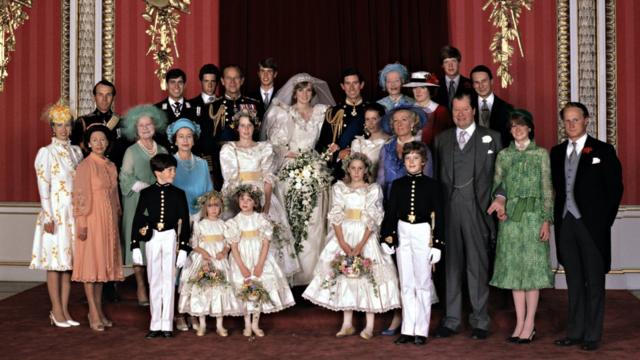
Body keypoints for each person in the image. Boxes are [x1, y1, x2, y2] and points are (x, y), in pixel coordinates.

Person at [303, 153, 401, 340]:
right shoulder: (340, 188)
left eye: (360, 168)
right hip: (344, 235)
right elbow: (336, 215)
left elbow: (373, 218)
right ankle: (347, 324)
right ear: (348, 169)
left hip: (366, 236)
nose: (356, 172)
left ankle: (369, 326)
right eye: (353, 168)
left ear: (366, 171)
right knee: (345, 276)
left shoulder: (373, 189)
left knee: (367, 277)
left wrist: (361, 245)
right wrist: (342, 242)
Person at [550, 102, 623, 351]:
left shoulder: (603, 150)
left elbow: (615, 190)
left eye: (575, 120)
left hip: (592, 226)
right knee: (574, 281)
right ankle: (575, 331)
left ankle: (592, 335)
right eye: (567, 121)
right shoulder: (556, 152)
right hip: (566, 223)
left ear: (586, 120)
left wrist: (603, 223)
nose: (571, 125)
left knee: (594, 282)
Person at [433, 91, 502, 340]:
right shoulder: (442, 140)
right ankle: (451, 320)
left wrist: (500, 198)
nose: (460, 114)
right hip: (450, 211)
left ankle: (480, 320)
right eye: (456, 110)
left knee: (477, 266)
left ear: (474, 110)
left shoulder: (492, 138)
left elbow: (501, 177)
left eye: (465, 109)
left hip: (479, 210)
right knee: (451, 267)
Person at [486, 110, 554, 344]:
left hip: (534, 217)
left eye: (522, 125)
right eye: (513, 126)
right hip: (511, 220)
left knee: (532, 273)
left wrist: (547, 220)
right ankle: (519, 323)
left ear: (530, 128)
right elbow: (499, 185)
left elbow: (547, 188)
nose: (518, 130)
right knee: (515, 273)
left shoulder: (541, 155)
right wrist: (500, 202)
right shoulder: (504, 155)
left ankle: (530, 324)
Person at [265, 73, 336, 285]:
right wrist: (287, 152)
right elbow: (274, 144)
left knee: (314, 220)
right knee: (290, 219)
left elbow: (328, 139)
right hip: (290, 168)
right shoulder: (283, 113)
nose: (304, 94)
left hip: (314, 166)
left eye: (308, 90)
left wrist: (330, 150)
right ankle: (291, 275)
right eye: (300, 90)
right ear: (294, 93)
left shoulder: (321, 113)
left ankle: (312, 275)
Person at [220, 111, 300, 278]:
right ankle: (239, 276)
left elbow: (268, 177)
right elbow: (230, 179)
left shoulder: (264, 148)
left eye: (249, 125)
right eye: (242, 125)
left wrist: (267, 203)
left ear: (254, 127)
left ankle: (268, 278)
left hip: (261, 193)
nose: (246, 129)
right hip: (238, 195)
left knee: (266, 232)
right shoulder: (229, 149)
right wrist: (239, 203)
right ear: (237, 128)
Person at [380, 142, 443, 346]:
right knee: (406, 283)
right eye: (408, 158)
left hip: (422, 232)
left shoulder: (433, 186)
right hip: (403, 230)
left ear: (423, 162)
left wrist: (437, 245)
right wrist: (387, 237)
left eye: (416, 158)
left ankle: (421, 330)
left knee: (423, 283)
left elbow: (440, 216)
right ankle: (407, 329)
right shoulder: (398, 185)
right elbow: (391, 213)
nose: (411, 162)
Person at [30, 101, 83, 328]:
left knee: (67, 265)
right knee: (54, 263)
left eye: (67, 125)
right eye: (59, 125)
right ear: (52, 127)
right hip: (55, 214)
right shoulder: (46, 153)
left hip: (72, 214)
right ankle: (56, 310)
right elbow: (44, 187)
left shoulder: (77, 152)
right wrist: (49, 216)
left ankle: (65, 309)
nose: (63, 129)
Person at [131, 154, 191, 339]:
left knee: (168, 280)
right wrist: (135, 245)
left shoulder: (179, 194)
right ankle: (155, 323)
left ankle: (167, 324)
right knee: (154, 280)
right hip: (152, 239)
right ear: (158, 172)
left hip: (170, 237)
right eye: (170, 170)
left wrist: (183, 249)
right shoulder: (147, 193)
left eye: (174, 169)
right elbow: (138, 218)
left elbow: (185, 223)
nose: (174, 172)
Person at [71, 124, 125, 331]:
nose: (99, 144)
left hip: (108, 220)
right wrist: (82, 222)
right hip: (92, 220)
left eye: (102, 140)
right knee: (91, 266)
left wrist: (118, 215)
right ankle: (92, 311)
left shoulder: (110, 165)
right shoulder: (85, 166)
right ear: (88, 143)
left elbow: (114, 195)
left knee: (102, 266)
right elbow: (80, 196)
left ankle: (98, 309)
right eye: (95, 140)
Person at [225, 185, 296, 337]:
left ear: (255, 203)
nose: (245, 202)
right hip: (242, 258)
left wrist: (260, 264)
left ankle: (255, 324)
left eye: (249, 200)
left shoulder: (261, 219)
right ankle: (247, 324)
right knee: (243, 288)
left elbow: (266, 244)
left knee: (259, 287)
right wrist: (242, 267)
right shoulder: (234, 222)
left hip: (259, 257)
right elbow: (234, 247)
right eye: (242, 199)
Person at [119, 104, 168, 306]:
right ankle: (140, 285)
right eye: (141, 125)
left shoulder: (163, 150)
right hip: (137, 203)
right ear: (134, 128)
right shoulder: (131, 151)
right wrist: (146, 187)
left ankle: (155, 284)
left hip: (159, 203)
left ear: (155, 126)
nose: (146, 128)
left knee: (156, 243)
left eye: (149, 124)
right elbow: (124, 178)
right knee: (139, 243)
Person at [178, 191, 241, 337]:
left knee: (219, 289)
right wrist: (203, 253)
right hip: (203, 258)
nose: (213, 209)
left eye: (217, 206)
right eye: (210, 206)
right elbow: (193, 243)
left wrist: (224, 251)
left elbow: (228, 242)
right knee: (202, 290)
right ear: (205, 208)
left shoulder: (223, 225)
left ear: (221, 208)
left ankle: (219, 325)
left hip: (218, 260)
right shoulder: (200, 224)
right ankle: (202, 324)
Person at [204, 65, 263, 190]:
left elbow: (259, 136)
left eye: (236, 78)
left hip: (249, 164)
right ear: (222, 81)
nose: (232, 82)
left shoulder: (254, 104)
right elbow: (207, 141)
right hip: (221, 164)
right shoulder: (212, 107)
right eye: (228, 78)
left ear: (242, 81)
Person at [315, 68, 368, 179]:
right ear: (342, 86)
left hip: (367, 169)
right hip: (340, 170)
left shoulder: (372, 110)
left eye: (355, 83)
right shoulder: (333, 112)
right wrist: (337, 154)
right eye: (348, 84)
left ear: (361, 85)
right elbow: (321, 146)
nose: (351, 88)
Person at [377, 105, 431, 199]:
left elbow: (427, 181)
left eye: (404, 120)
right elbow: (380, 181)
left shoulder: (423, 149)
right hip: (389, 200)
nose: (399, 124)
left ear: (412, 123)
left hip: (413, 201)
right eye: (395, 121)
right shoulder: (386, 148)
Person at [71, 80, 127, 169]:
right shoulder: (83, 122)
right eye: (100, 94)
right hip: (91, 171)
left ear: (113, 98)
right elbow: (74, 152)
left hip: (116, 172)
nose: (104, 99)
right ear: (94, 97)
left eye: (108, 94)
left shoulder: (123, 122)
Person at [167, 118, 213, 215]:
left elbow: (209, 192)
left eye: (189, 136)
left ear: (194, 140)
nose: (185, 140)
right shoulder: (169, 163)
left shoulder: (203, 163)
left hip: (201, 215)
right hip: (177, 214)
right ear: (175, 140)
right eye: (181, 136)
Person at [403, 71, 453, 147]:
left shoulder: (441, 111)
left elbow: (448, 139)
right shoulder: (407, 111)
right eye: (415, 87)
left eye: (423, 87)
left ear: (430, 89)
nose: (418, 91)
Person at [155, 68, 197, 151]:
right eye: (172, 82)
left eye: (180, 82)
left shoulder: (195, 108)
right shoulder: (156, 109)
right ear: (167, 85)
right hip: (166, 159)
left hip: (189, 157)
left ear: (184, 85)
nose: (176, 86)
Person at [470, 65, 514, 145]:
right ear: (473, 85)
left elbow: (510, 139)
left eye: (484, 81)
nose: (481, 86)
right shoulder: (467, 107)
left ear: (491, 81)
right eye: (476, 82)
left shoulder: (507, 109)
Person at [350, 103, 390, 176]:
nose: (370, 123)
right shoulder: (358, 143)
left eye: (374, 119)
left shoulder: (391, 142)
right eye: (367, 119)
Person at [434, 46, 474, 111]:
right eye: (446, 62)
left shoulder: (471, 84)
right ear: (442, 65)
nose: (450, 65)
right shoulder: (435, 85)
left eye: (453, 61)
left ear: (459, 62)